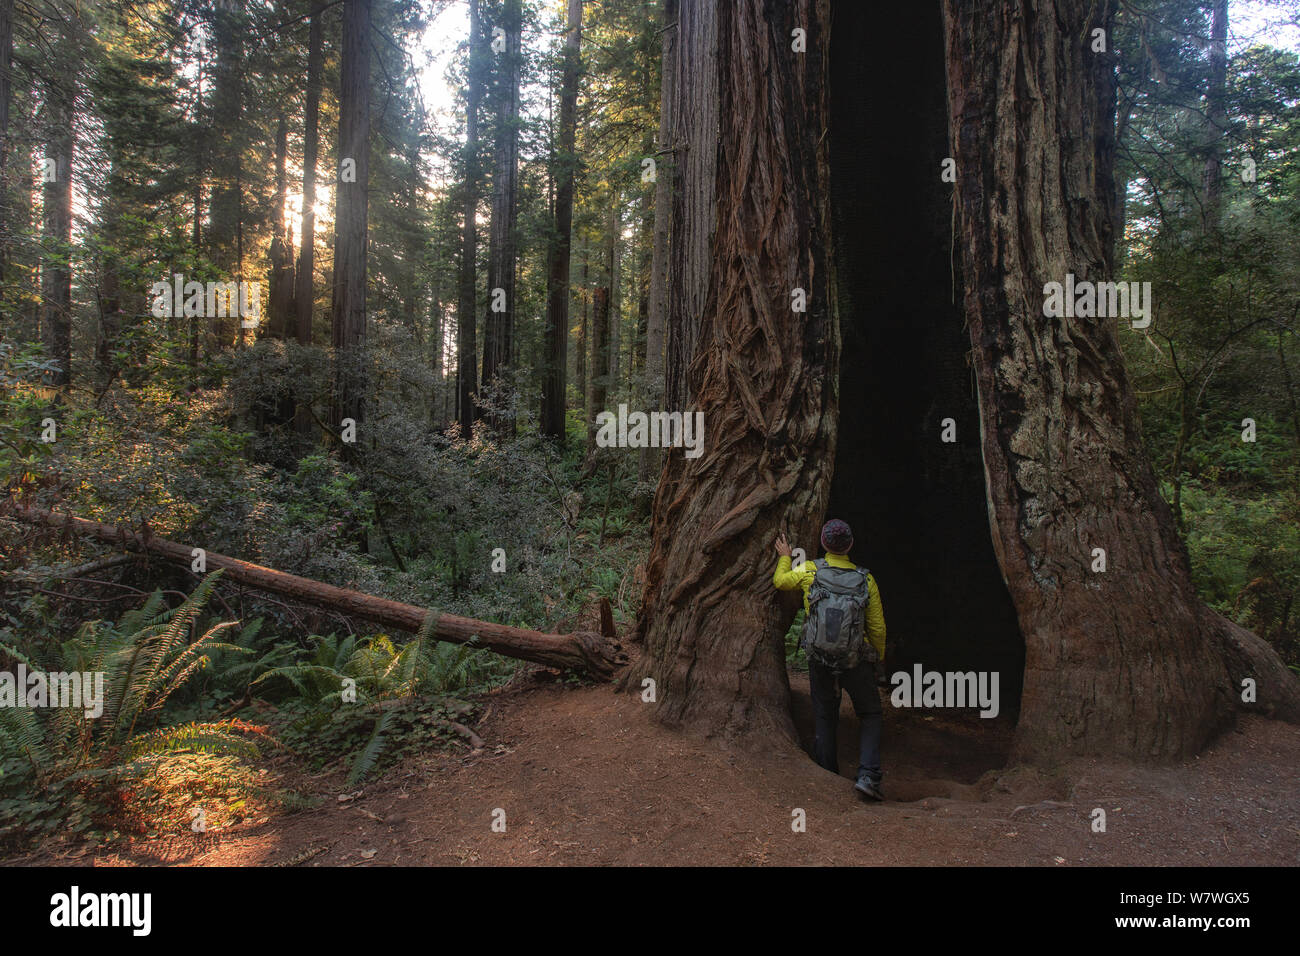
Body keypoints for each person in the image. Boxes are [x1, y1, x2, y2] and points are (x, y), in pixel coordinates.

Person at [773, 519, 887, 801]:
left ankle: (826, 771)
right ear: (849, 546)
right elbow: (877, 628)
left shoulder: (811, 570)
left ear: (823, 544)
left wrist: (785, 558)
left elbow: (780, 582)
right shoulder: (865, 579)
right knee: (870, 713)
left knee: (825, 713)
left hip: (820, 658)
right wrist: (876, 657)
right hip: (854, 661)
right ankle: (868, 776)